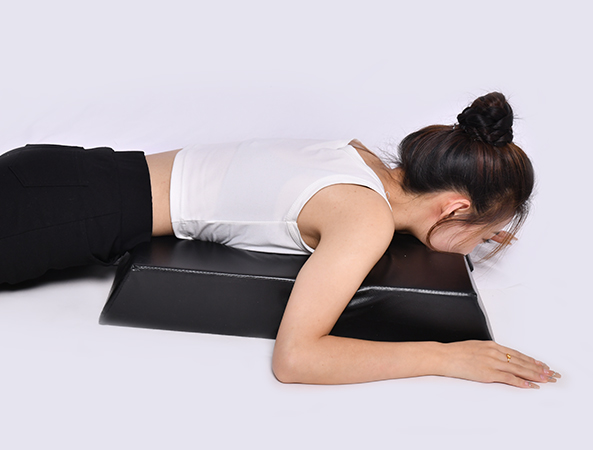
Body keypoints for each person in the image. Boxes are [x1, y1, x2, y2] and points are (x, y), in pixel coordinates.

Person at [0, 92, 559, 388]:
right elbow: (296, 359)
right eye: (485, 231)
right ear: (456, 207)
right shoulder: (362, 219)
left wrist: (467, 229)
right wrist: (448, 358)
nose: (485, 243)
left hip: (57, 173)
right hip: (53, 219)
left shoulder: (358, 155)